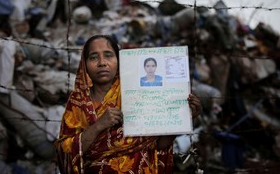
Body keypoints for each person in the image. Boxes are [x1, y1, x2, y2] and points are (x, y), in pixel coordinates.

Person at [54, 34, 202, 174]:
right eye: (93, 57)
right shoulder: (78, 102)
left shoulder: (137, 94)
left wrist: (181, 118)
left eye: (108, 55)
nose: (102, 63)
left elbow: (157, 147)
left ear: (119, 60)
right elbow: (65, 153)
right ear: (84, 64)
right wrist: (99, 125)